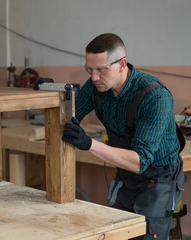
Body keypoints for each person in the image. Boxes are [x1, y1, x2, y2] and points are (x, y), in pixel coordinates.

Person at [62, 33, 187, 240]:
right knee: (115, 234)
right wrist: (53, 95)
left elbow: (140, 161)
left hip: (157, 178)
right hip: (125, 175)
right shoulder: (96, 86)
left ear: (122, 64)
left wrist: (88, 144)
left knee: (145, 236)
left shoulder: (154, 96)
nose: (94, 77)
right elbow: (69, 116)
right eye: (89, 70)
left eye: (101, 69)